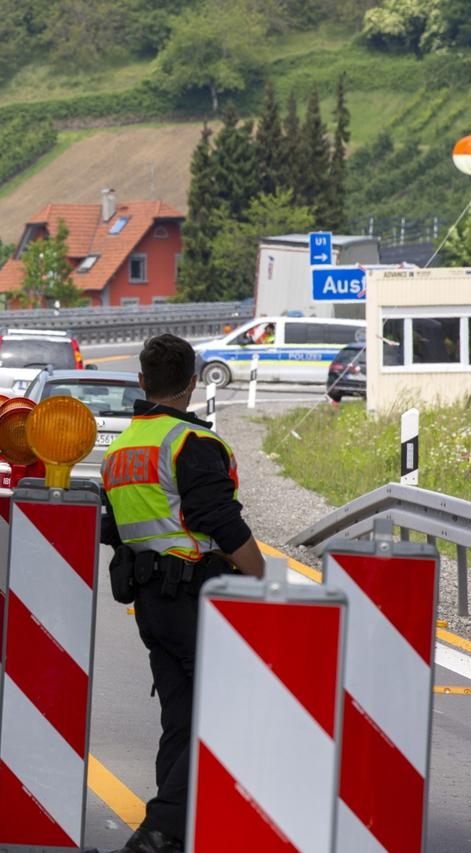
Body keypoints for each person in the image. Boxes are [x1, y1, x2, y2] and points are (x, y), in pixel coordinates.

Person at [102, 333, 265, 853]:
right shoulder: (192, 443)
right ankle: (163, 827)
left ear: (142, 382)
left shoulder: (121, 448)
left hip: (150, 602)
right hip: (197, 597)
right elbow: (216, 517)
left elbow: (113, 528)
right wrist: (261, 578)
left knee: (181, 716)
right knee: (218, 715)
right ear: (193, 384)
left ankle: (174, 833)